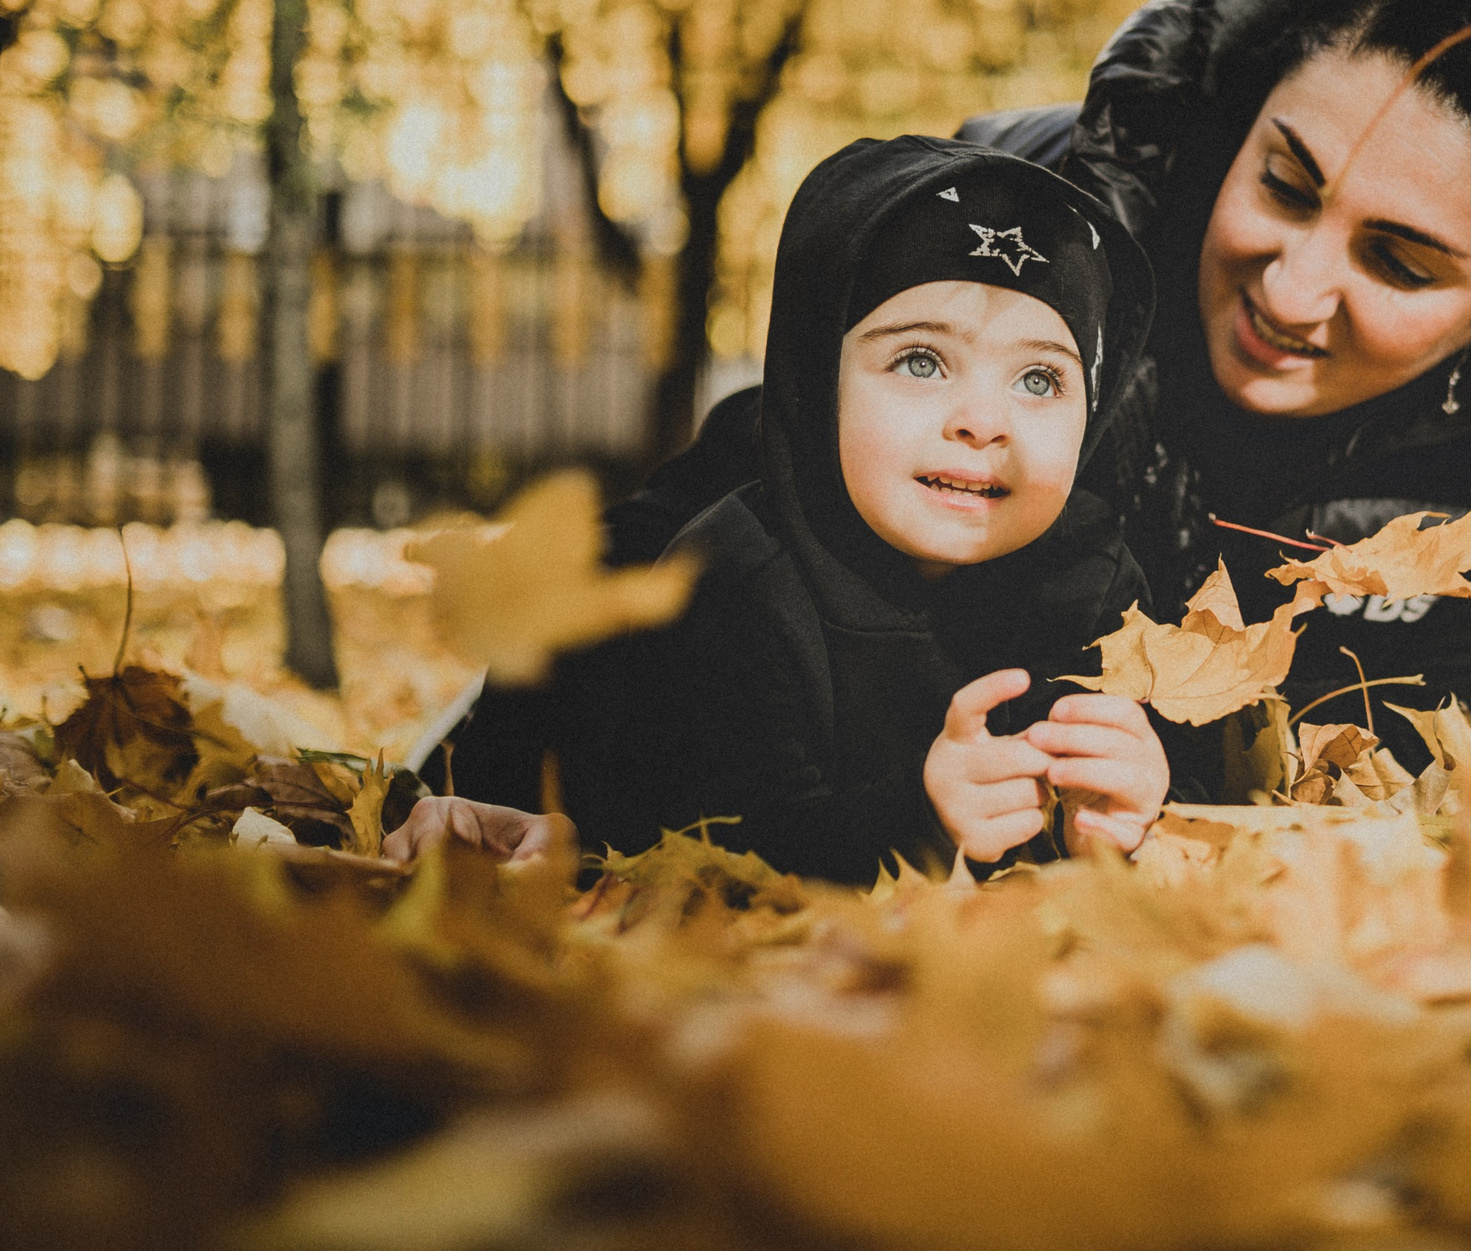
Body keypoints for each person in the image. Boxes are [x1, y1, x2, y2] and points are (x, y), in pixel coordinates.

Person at [446, 0, 1471, 814]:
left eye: (1399, 264)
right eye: (1283, 183)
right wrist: (486, 782)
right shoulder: (1037, 222)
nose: (1291, 287)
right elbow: (728, 507)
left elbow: (1411, 764)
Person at [393, 136, 1168, 881]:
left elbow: (1160, 793)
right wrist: (922, 822)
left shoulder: (1091, 573)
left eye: (1039, 380)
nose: (982, 420)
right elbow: (724, 846)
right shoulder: (739, 576)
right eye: (921, 361)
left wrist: (1124, 810)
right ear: (820, 384)